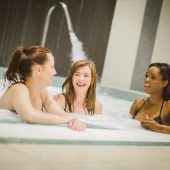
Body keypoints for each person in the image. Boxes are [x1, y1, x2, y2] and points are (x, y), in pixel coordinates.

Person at [0, 46, 85, 131]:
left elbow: (62, 114)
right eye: (52, 67)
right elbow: (30, 116)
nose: (55, 72)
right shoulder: (18, 89)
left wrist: (74, 120)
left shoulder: (42, 93)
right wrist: (62, 120)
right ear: (38, 70)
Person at [130, 62, 170, 134]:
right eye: (146, 75)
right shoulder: (138, 103)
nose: (147, 80)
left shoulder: (167, 107)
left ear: (164, 83)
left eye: (153, 77)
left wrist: (159, 128)